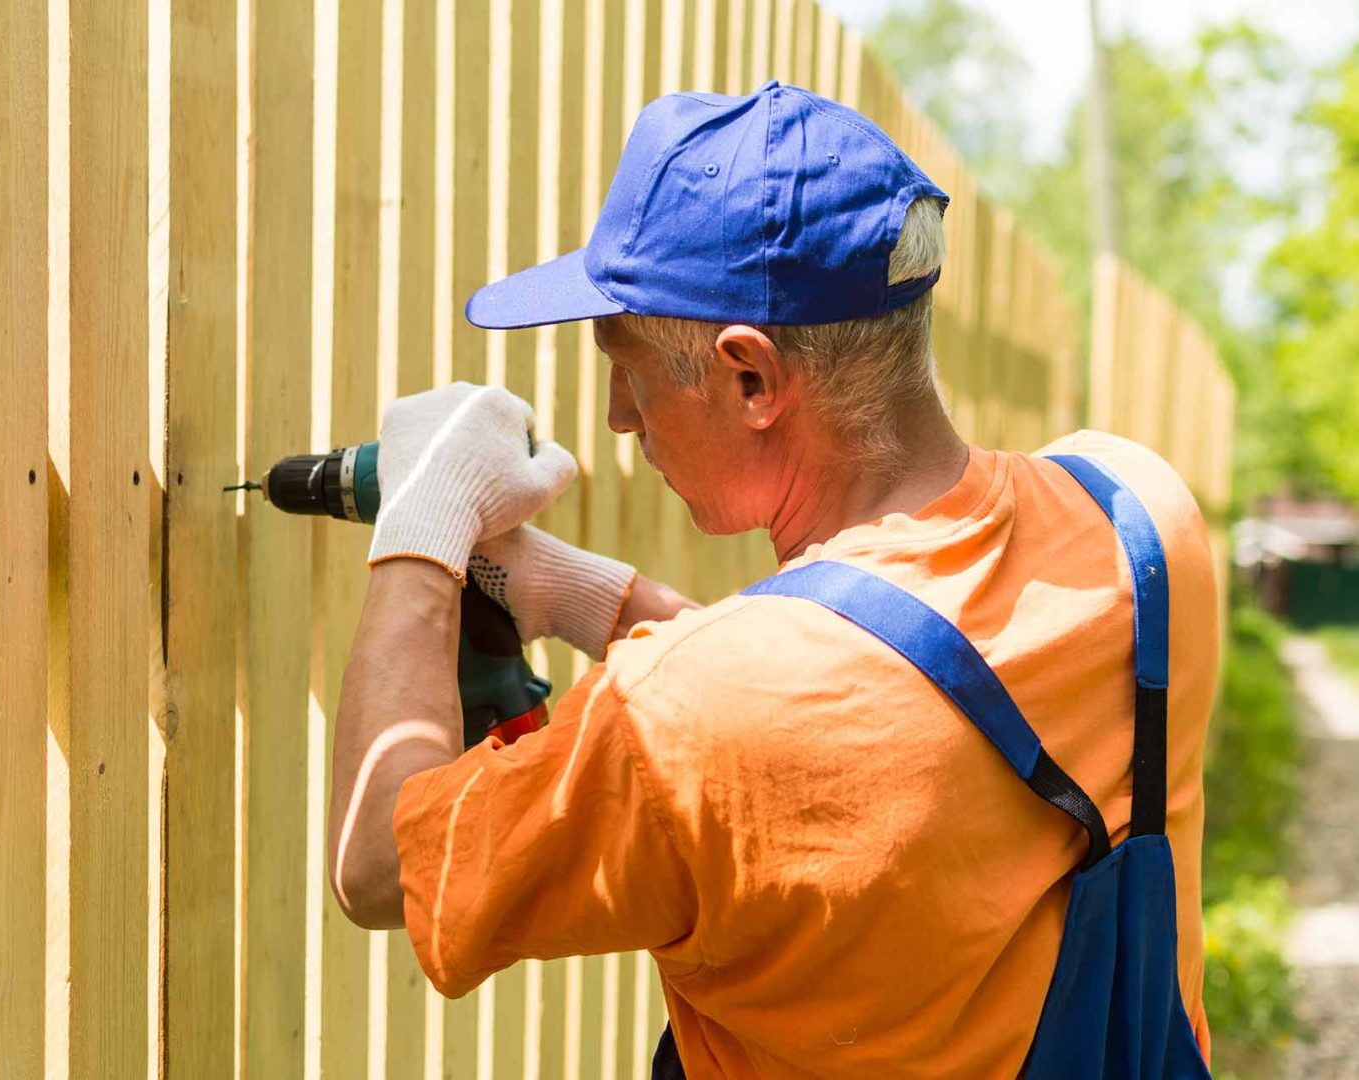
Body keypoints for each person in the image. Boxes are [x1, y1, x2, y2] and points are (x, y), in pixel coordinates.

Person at [326, 80, 1217, 1076]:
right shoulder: (1141, 520)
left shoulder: (689, 716)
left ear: (749, 376)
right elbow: (874, 716)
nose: (621, 415)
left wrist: (424, 525)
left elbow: (375, 865)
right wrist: (589, 597)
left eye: (624, 363)